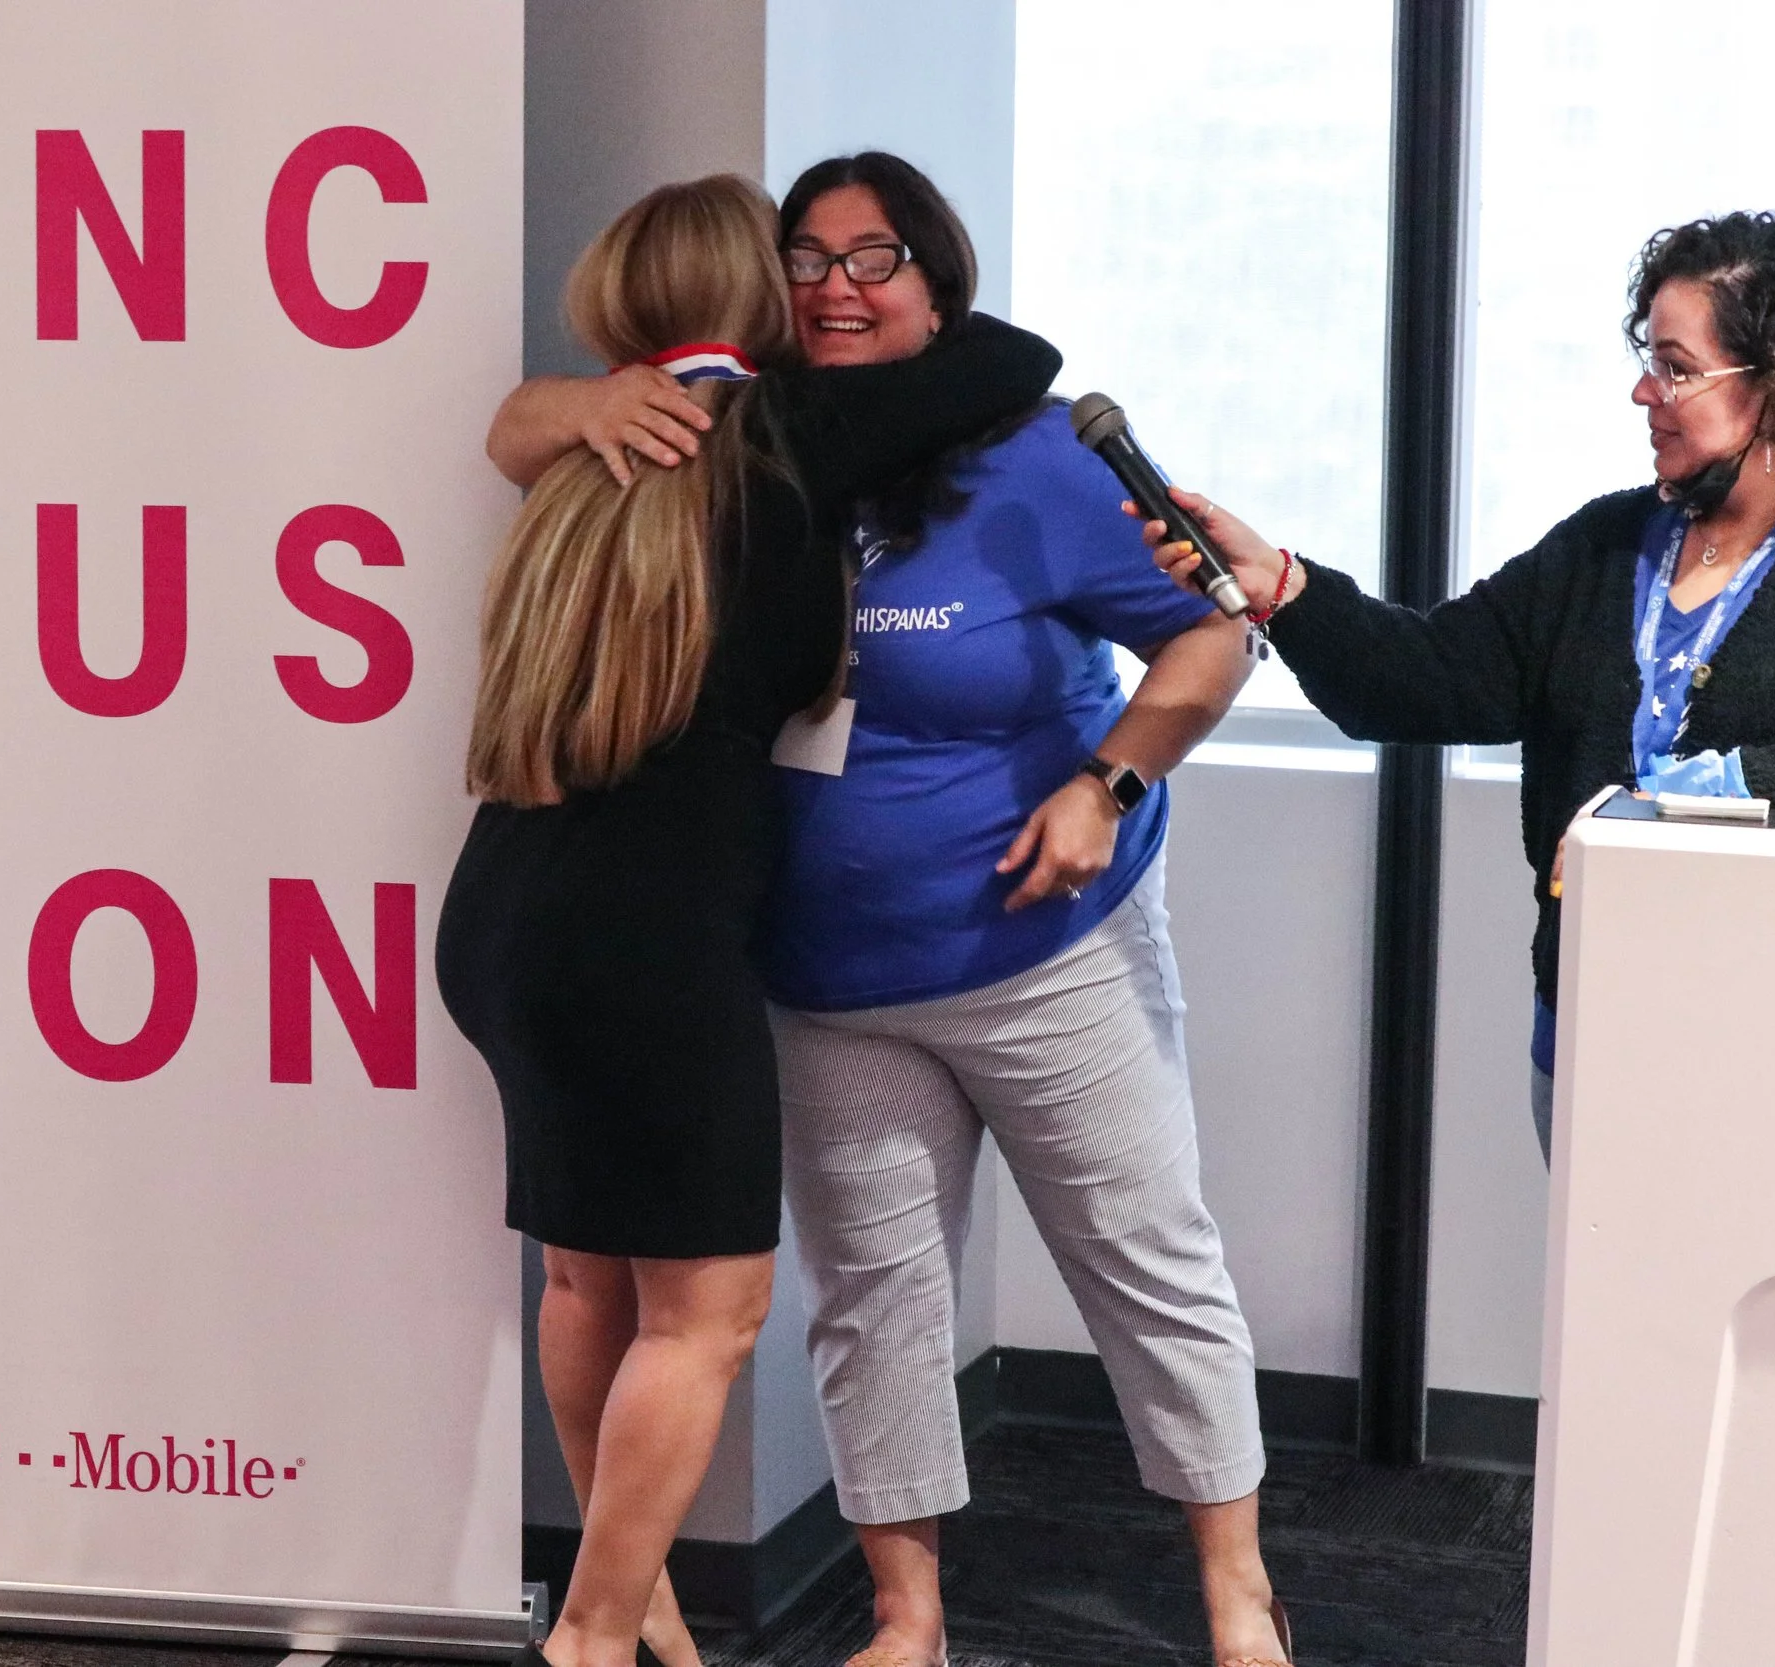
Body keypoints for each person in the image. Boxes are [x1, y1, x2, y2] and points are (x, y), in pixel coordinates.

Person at [488, 151, 1296, 1667]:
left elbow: (1213, 634)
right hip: (826, 972)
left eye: (876, 258)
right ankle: (904, 1620)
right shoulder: (734, 435)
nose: (838, 286)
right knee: (874, 1302)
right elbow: (516, 427)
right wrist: (585, 403)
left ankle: (1238, 1599)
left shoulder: (1029, 457)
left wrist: (1107, 783)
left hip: (1045, 955)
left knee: (1146, 1260)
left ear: (935, 281)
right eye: (807, 257)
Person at [436, 174, 1061, 1667]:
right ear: (755, 296)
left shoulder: (589, 458)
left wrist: (580, 398)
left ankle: (637, 1612)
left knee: (587, 1275)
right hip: (645, 941)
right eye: (797, 268)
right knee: (707, 1313)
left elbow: (510, 428)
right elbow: (1013, 357)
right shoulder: (778, 432)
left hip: (504, 917)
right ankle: (594, 1634)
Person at [1142, 211, 1775, 1160]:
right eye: (1648, 362)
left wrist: (1653, 815)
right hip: (1588, 1016)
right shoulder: (1606, 543)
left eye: (1676, 368)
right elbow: (1424, 678)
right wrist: (1284, 588)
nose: (1644, 391)